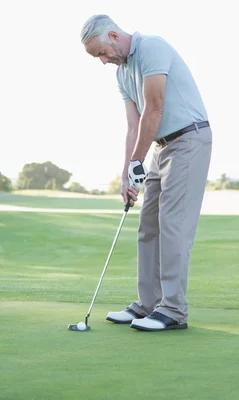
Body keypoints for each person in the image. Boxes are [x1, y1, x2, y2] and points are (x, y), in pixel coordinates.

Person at [80, 15, 212, 332]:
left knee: (172, 225)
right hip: (159, 147)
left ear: (113, 35)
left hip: (189, 139)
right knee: (148, 225)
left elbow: (155, 108)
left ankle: (173, 310)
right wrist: (128, 173)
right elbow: (133, 126)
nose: (102, 61)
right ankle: (149, 304)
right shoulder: (122, 73)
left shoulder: (152, 48)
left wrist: (138, 160)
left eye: (101, 52)